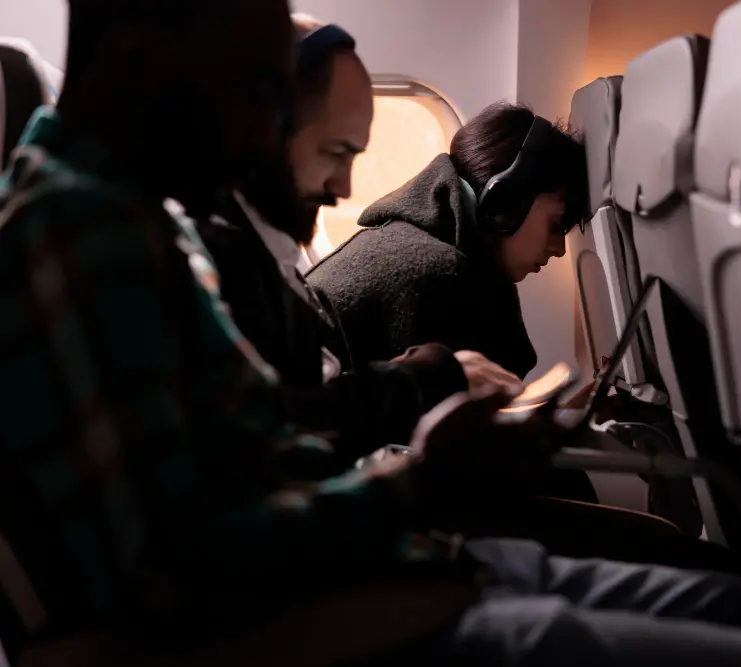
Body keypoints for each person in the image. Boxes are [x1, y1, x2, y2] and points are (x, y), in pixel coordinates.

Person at [0, 1, 741, 665]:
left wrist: (409, 475)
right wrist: (422, 478)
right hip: (322, 617)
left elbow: (252, 464)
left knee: (736, 607)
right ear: (138, 36)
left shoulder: (146, 222)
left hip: (375, 566)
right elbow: (177, 572)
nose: (256, 139)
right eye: (251, 92)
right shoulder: (81, 236)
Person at [197, 15, 521, 460]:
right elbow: (280, 436)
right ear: (267, 133)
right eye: (334, 153)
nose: (344, 189)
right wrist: (425, 377)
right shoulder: (217, 260)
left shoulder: (274, 259)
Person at [306, 101, 588, 381]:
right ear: (507, 203)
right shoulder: (435, 272)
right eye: (555, 225)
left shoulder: (409, 246)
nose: (559, 250)